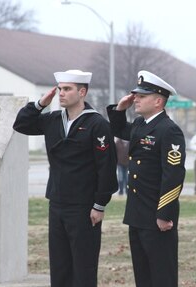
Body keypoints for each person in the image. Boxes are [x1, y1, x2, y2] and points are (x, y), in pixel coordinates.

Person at [13, 69, 118, 287]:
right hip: (57, 203)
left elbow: (106, 168)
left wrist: (99, 205)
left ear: (82, 92)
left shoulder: (97, 124)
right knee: (59, 267)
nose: (61, 93)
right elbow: (21, 124)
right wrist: (40, 104)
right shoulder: (53, 120)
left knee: (83, 267)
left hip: (84, 206)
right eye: (60, 88)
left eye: (67, 89)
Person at [106, 70, 186, 287]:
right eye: (136, 95)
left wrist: (164, 212)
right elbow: (119, 129)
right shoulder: (141, 125)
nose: (136, 99)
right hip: (137, 214)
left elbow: (174, 175)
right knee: (143, 276)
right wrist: (119, 109)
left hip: (156, 214)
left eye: (142, 96)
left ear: (158, 101)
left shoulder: (169, 130)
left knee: (162, 276)